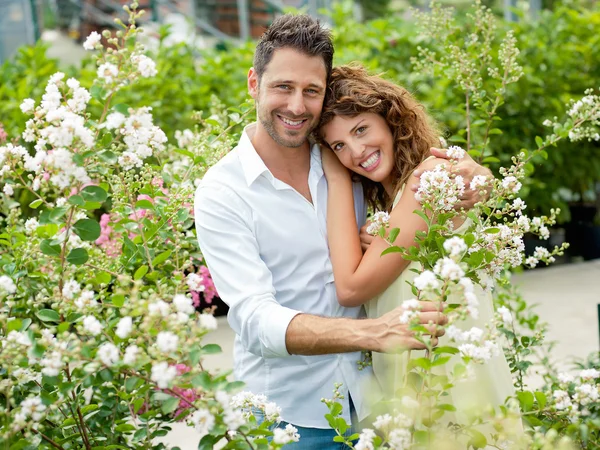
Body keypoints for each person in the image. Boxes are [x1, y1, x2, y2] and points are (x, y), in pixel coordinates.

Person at [194, 14, 491, 448]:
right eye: (283, 87)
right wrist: (374, 333)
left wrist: (475, 177)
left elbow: (416, 184)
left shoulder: (349, 162)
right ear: (253, 83)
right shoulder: (224, 192)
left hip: (380, 404)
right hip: (290, 418)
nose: (297, 105)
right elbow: (256, 319)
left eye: (311, 91)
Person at [316, 64, 515, 424]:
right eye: (338, 146)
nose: (356, 152)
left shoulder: (427, 181)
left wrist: (333, 172)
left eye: (361, 129)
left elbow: (350, 288)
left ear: (391, 119)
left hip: (450, 387)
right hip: (420, 380)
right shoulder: (388, 197)